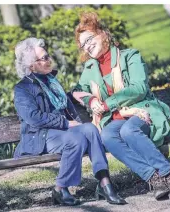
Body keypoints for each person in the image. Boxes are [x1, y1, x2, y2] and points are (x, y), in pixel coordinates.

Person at [72, 12, 170, 200]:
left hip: (143, 111)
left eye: (90, 39)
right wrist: (91, 100)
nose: (87, 46)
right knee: (108, 136)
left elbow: (139, 88)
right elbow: (78, 90)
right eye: (83, 44)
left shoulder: (130, 56)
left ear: (103, 34)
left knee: (128, 131)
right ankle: (154, 177)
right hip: (116, 119)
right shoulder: (90, 69)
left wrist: (108, 103)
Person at [13, 37, 127, 206]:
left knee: (90, 129)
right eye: (43, 58)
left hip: (60, 132)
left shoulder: (51, 81)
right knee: (76, 139)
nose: (49, 59)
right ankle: (60, 188)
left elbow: (60, 102)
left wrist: (79, 96)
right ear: (31, 65)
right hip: (39, 136)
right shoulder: (22, 89)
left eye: (47, 55)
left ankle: (105, 183)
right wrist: (66, 123)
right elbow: (33, 118)